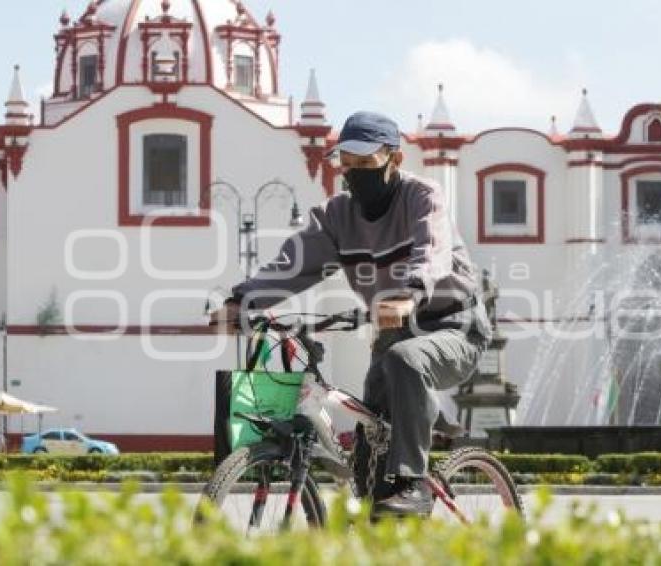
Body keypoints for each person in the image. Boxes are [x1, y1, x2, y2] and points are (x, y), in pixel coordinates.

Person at [210, 111, 492, 516]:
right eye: (348, 163)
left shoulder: (422, 197)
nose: (355, 173)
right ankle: (382, 521)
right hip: (391, 330)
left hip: (454, 325)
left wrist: (410, 294)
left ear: (394, 160)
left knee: (404, 361)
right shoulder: (336, 216)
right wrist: (243, 301)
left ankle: (412, 483)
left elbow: (431, 252)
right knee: (370, 442)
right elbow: (292, 266)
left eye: (366, 163)